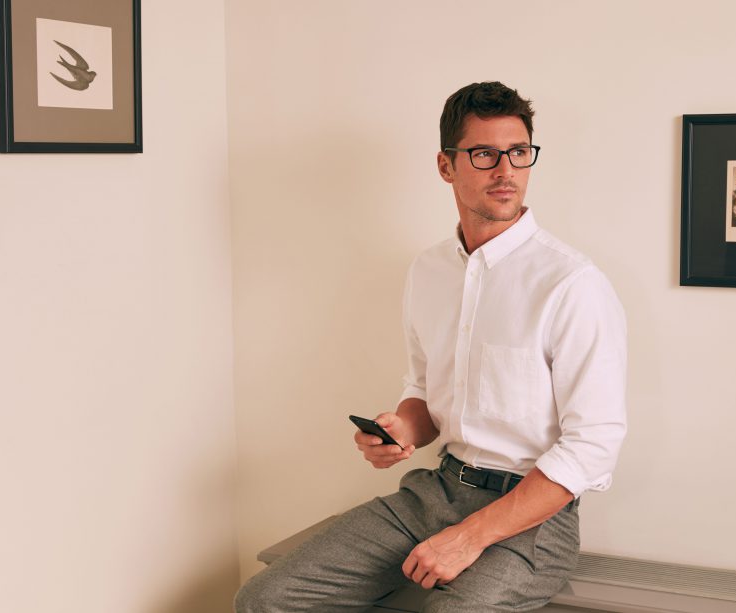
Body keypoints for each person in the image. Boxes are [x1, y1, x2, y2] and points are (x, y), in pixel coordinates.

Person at [235, 81, 627, 613]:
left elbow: (594, 444)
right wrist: (402, 430)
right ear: (446, 166)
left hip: (531, 519)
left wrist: (471, 536)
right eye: (484, 154)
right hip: (434, 491)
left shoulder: (572, 283)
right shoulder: (429, 271)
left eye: (518, 152)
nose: (506, 171)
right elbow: (423, 390)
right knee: (266, 598)